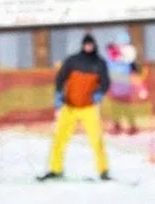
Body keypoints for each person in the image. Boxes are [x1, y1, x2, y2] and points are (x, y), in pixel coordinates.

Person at [40, 33, 111, 181]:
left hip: (88, 108)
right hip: (70, 107)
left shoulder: (100, 63)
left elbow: (105, 82)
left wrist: (99, 93)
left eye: (91, 44)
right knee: (59, 138)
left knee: (96, 140)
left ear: (94, 46)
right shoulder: (72, 61)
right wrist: (59, 94)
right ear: (83, 45)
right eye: (86, 44)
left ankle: (103, 170)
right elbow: (60, 78)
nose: (88, 47)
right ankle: (55, 169)